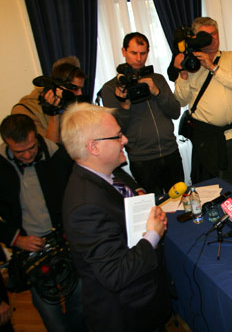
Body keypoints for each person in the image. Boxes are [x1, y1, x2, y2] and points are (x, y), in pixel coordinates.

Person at [61, 103, 171, 331]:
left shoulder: (110, 174)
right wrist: (153, 234)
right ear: (93, 147)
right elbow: (115, 274)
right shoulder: (85, 206)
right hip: (127, 316)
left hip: (144, 301)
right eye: (117, 136)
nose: (125, 140)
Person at [0, 114, 86, 331]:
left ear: (36, 136)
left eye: (31, 147)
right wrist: (17, 239)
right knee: (50, 312)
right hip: (31, 249)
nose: (28, 155)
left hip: (65, 240)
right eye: (20, 152)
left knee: (80, 301)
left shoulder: (56, 154)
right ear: (7, 144)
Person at [100, 32, 184, 195]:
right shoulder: (111, 88)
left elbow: (175, 112)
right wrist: (125, 104)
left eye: (143, 53)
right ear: (124, 52)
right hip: (142, 160)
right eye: (133, 53)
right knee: (154, 207)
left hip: (171, 152)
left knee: (180, 200)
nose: (139, 58)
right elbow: (116, 130)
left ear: (148, 52)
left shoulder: (157, 79)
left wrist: (157, 92)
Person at [174, 17, 232, 185]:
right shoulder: (191, 64)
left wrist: (213, 67)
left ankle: (230, 208)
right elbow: (181, 100)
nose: (212, 38)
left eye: (214, 34)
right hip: (205, 137)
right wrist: (183, 74)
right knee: (208, 182)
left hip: (231, 133)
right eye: (206, 35)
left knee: (230, 178)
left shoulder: (231, 57)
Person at [12, 57, 87, 143]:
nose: (79, 93)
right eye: (75, 88)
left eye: (80, 88)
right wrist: (53, 115)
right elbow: (50, 149)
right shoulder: (25, 110)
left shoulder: (75, 101)